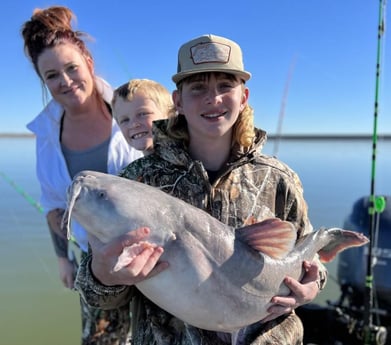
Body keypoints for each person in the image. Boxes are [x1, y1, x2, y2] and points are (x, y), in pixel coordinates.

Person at [75, 34, 328, 344]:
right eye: (198, 88)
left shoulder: (278, 179)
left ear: (244, 97)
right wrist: (103, 274)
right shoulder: (137, 180)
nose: (213, 98)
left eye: (225, 86)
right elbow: (97, 296)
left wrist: (312, 285)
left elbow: (308, 258)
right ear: (177, 101)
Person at [21, 6, 142, 345]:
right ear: (43, 81)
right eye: (52, 76)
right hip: (96, 266)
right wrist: (64, 258)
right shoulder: (46, 135)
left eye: (71, 67)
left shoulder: (133, 108)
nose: (65, 81)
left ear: (88, 61)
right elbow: (55, 204)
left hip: (156, 255)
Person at [112, 79, 173, 155]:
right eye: (125, 120)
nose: (133, 124)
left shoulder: (189, 157)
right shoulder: (137, 166)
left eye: (143, 114)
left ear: (170, 115)